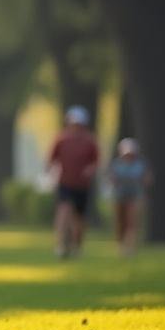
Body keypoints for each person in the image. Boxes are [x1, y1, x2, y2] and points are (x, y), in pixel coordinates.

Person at [49, 106, 99, 259]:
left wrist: (90, 169)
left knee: (79, 219)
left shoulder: (90, 141)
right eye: (73, 123)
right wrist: (50, 173)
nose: (76, 127)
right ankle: (61, 245)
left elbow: (96, 161)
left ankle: (77, 246)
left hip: (82, 184)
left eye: (79, 124)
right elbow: (52, 159)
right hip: (65, 182)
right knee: (63, 212)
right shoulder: (61, 139)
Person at [106, 137, 150, 257]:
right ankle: (121, 245)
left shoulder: (140, 164)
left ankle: (130, 247)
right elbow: (111, 179)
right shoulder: (116, 164)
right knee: (121, 221)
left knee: (132, 221)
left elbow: (147, 179)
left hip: (135, 196)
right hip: (120, 196)